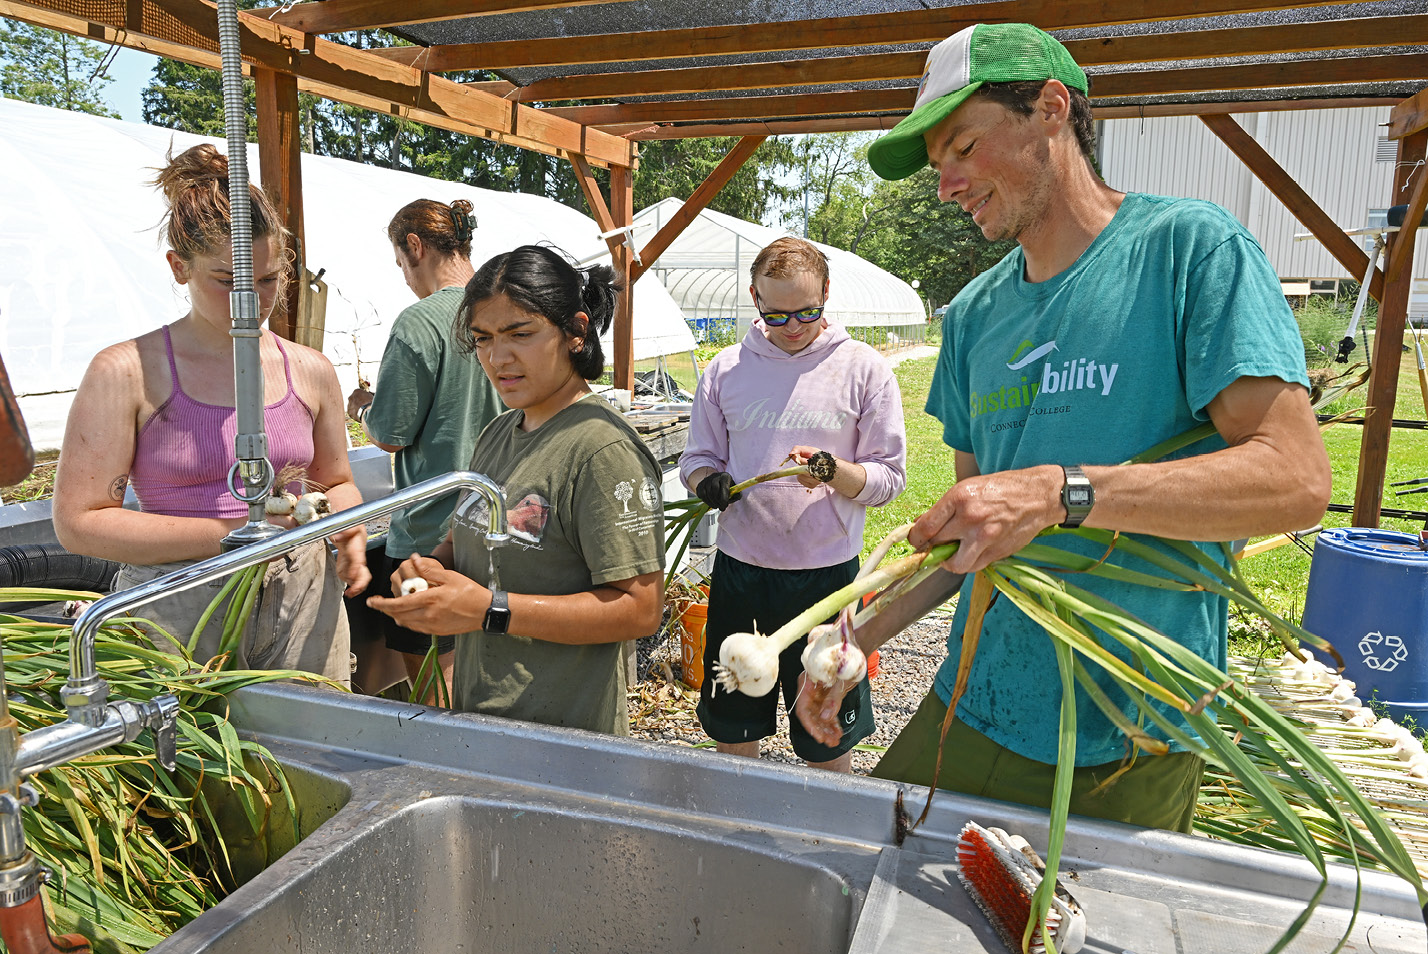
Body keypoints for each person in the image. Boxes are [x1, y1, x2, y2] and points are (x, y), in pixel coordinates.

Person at [796, 23, 1331, 829]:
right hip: (975, 699)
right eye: (938, 166)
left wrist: (1060, 492)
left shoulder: (1189, 251)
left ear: (1051, 108)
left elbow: (1296, 481)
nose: (947, 185)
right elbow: (967, 537)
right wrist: (856, 643)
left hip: (1134, 730)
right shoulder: (977, 315)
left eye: (964, 148)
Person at [53, 143, 369, 683]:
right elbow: (80, 523)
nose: (253, 298)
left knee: (315, 751)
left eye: (270, 279)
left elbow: (335, 480)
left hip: (301, 591)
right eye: (228, 281)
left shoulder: (311, 370)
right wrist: (233, 534)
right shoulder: (126, 371)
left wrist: (348, 530)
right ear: (179, 267)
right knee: (194, 761)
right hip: (180, 597)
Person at [366, 244, 665, 734]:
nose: (496, 358)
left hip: (564, 737)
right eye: (482, 339)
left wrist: (490, 610)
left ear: (576, 332)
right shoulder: (499, 434)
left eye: (519, 334)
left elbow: (640, 608)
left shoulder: (600, 449)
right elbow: (470, 535)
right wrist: (431, 567)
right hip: (487, 719)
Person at [681, 236, 908, 773]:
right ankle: (737, 832)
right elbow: (698, 458)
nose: (794, 327)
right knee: (734, 730)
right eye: (777, 315)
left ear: (826, 293)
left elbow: (890, 478)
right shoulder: (726, 371)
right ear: (755, 297)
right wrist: (706, 482)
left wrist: (832, 472)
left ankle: (829, 840)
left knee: (826, 734)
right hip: (742, 572)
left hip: (827, 580)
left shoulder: (863, 370)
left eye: (808, 312)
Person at [345, 199, 503, 703]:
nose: (405, 279)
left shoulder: (419, 322)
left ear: (415, 246)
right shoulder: (508, 309)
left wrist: (363, 410)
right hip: (507, 523)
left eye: (400, 264)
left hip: (430, 535)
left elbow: (391, 432)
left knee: (440, 685)